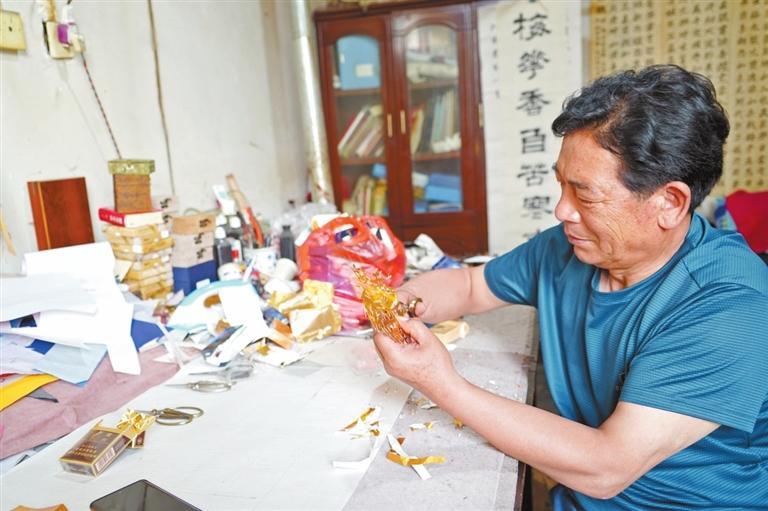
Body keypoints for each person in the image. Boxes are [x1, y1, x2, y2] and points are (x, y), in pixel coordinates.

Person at [373, 65, 768, 510]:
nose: (562, 211)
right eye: (561, 185)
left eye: (586, 195)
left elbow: (607, 467)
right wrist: (404, 301)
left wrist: (439, 382)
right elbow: (468, 284)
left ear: (669, 202)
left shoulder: (729, 305)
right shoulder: (570, 248)